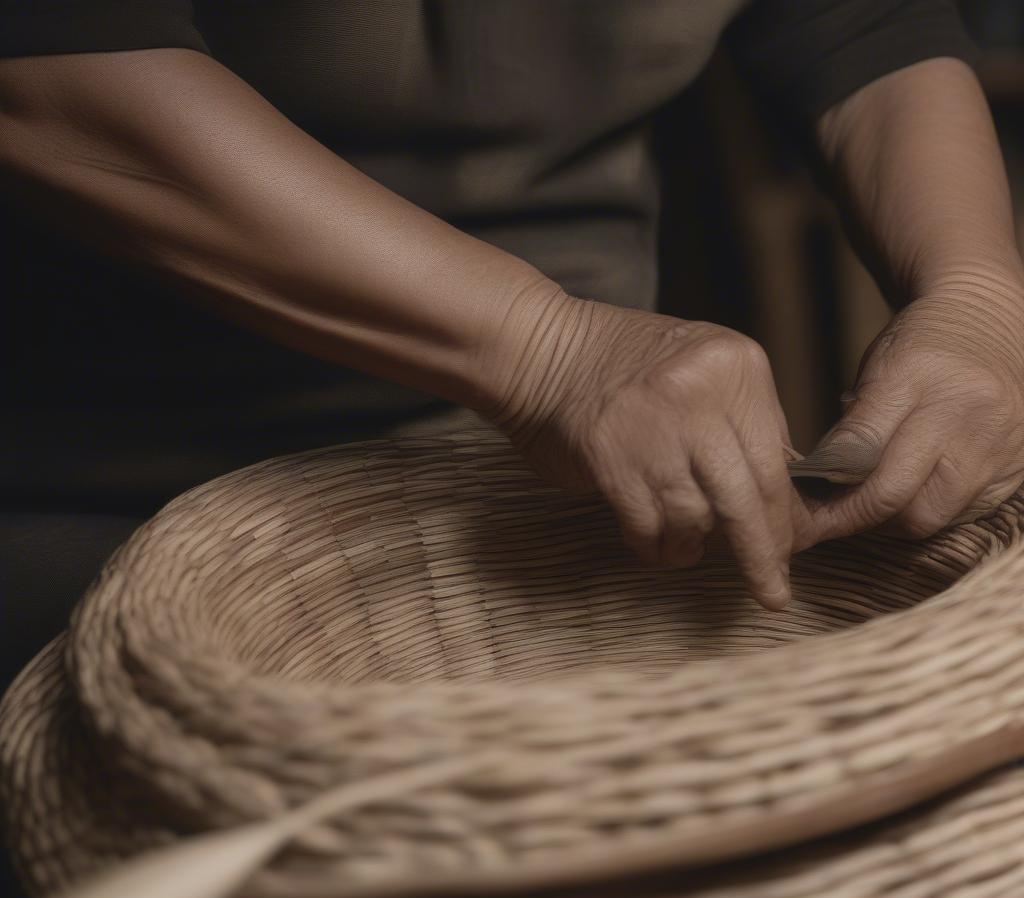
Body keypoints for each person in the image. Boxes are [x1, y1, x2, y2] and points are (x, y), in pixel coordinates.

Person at [2, 1, 1023, 684]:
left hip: (585, 496)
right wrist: (544, 351)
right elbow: (49, 73)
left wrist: (977, 294)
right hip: (100, 500)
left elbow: (864, 22)